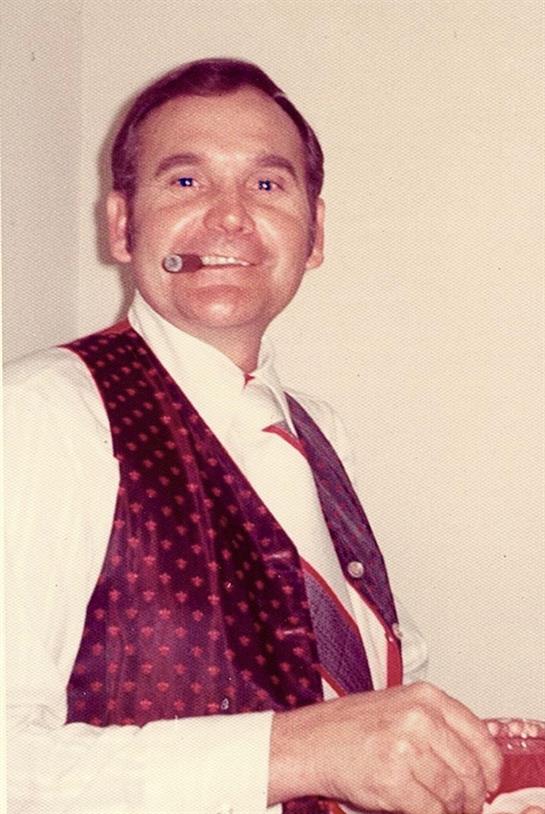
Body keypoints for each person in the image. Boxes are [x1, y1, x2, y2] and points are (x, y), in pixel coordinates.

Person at [5, 57, 543, 814]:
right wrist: (296, 751)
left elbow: (367, 704)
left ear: (314, 232)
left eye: (266, 184)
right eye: (185, 181)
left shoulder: (318, 432)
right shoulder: (43, 414)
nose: (229, 218)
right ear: (123, 225)